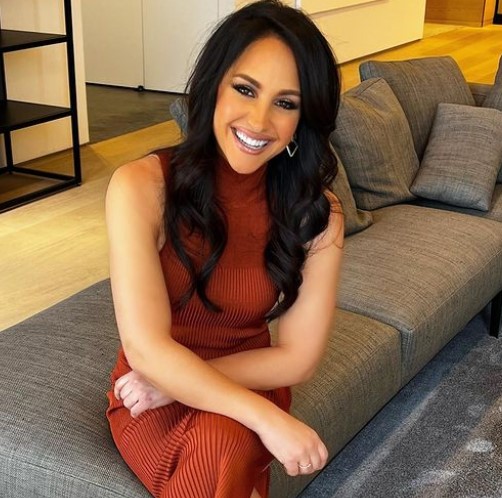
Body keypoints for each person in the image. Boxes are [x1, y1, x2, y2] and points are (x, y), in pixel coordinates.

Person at [105, 1, 344, 497]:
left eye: (286, 103)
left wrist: (180, 383)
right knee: (225, 445)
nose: (258, 120)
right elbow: (146, 348)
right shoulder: (141, 186)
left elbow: (298, 358)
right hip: (149, 394)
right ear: (214, 84)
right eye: (245, 89)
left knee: (224, 441)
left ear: (303, 119)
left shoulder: (317, 213)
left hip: (236, 377)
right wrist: (266, 419)